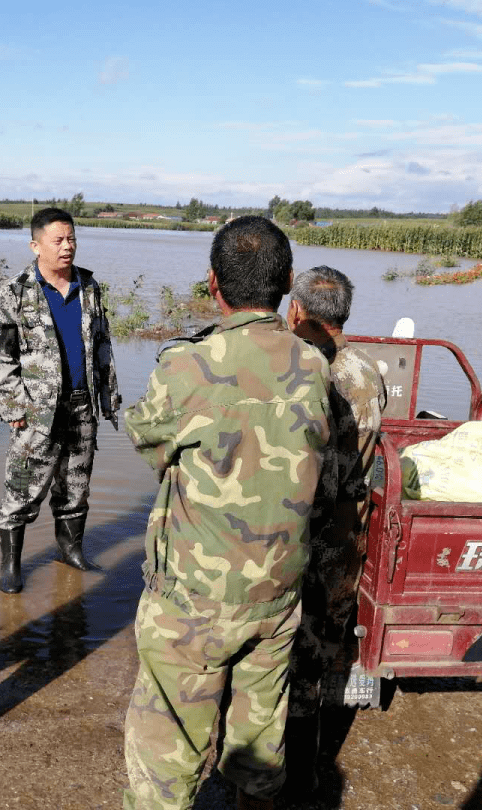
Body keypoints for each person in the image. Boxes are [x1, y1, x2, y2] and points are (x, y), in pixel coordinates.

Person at [122, 216, 335, 810]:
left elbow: (147, 441)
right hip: (276, 597)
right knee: (258, 755)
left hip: (193, 603)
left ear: (213, 284)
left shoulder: (187, 366)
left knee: (164, 761)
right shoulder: (317, 367)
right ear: (288, 282)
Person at [283, 265, 386, 792]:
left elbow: (319, 480)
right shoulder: (367, 368)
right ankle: (310, 764)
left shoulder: (323, 378)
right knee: (321, 656)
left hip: (318, 539)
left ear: (297, 311)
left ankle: (299, 777)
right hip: (349, 539)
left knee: (300, 665)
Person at [0, 207, 121, 592]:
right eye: (58, 240)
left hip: (81, 407)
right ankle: (11, 565)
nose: (67, 247)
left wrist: (107, 398)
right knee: (21, 491)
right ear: (36, 245)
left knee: (75, 489)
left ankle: (70, 551)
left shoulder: (89, 287)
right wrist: (13, 407)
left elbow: (102, 345)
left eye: (71, 239)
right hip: (37, 412)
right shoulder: (17, 292)